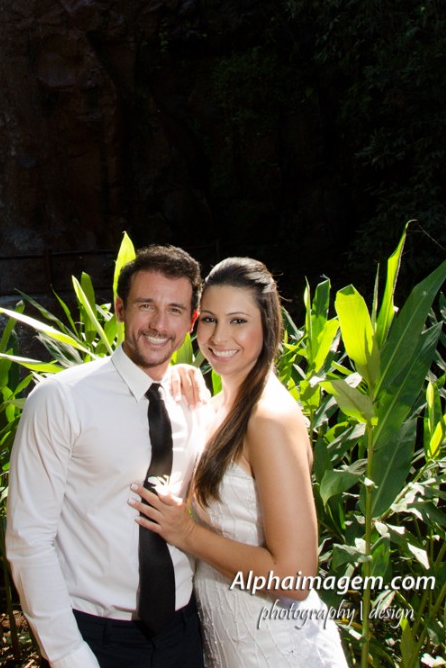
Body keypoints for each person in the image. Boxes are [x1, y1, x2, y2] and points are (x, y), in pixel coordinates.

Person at [129, 257, 349, 667]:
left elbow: (295, 577)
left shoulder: (268, 419)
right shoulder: (217, 406)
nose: (219, 336)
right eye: (209, 319)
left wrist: (188, 534)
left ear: (268, 326)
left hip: (275, 645)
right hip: (230, 640)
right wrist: (177, 376)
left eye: (238, 321)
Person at [6, 244, 208, 668]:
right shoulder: (61, 400)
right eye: (145, 305)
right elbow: (29, 540)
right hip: (96, 637)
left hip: (184, 633)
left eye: (175, 310)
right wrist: (68, 654)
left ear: (191, 322)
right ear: (119, 308)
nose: (158, 323)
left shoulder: (192, 399)